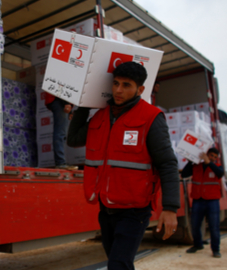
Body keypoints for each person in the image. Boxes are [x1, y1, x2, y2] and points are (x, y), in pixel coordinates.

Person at [67, 62, 179, 270]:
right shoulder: (100, 116)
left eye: (126, 85)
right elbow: (73, 139)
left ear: (140, 90)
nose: (118, 90)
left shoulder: (151, 118)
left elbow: (167, 164)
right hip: (106, 208)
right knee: (118, 263)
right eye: (116, 83)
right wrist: (83, 105)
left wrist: (170, 208)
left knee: (118, 265)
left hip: (134, 210)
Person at [181, 147, 224, 258]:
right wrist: (190, 161)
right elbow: (184, 174)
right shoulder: (196, 166)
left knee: (214, 227)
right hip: (198, 200)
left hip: (212, 201)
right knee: (195, 225)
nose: (213, 158)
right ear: (206, 154)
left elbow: (220, 173)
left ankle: (216, 250)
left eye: (215, 157)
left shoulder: (217, 167)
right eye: (211, 155)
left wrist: (209, 162)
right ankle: (197, 245)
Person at [44, 93, 73, 169]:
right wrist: (66, 103)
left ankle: (61, 162)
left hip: (60, 100)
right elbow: (60, 84)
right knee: (60, 133)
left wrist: (70, 110)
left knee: (62, 133)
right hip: (59, 99)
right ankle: (60, 162)